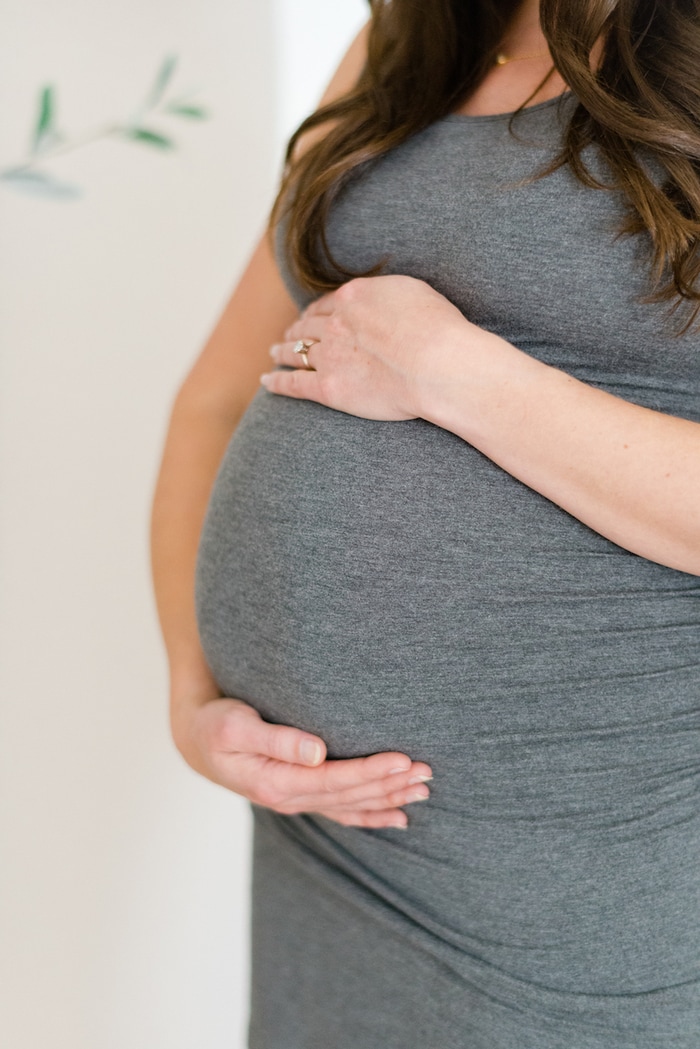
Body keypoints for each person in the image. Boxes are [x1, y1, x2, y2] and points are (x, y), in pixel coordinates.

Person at [150, 0, 700, 1045]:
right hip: (330, 843)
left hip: (582, 874)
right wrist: (192, 694)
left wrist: (457, 375)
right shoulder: (415, 35)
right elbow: (213, 399)